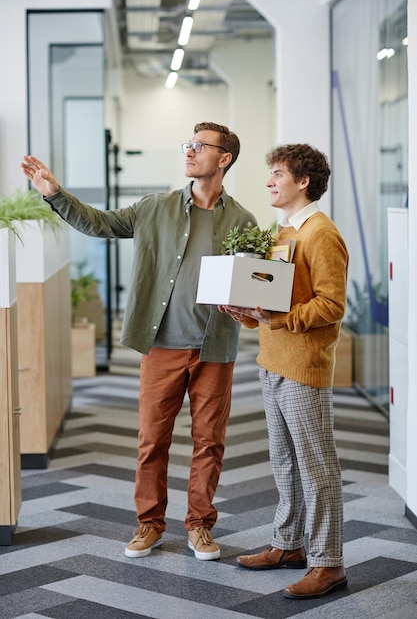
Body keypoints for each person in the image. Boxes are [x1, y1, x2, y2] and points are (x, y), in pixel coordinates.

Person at [21, 122, 257, 561]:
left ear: (223, 158)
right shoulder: (157, 207)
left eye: (200, 146)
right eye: (188, 144)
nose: (190, 151)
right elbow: (100, 224)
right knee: (153, 440)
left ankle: (200, 526)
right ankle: (149, 524)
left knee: (210, 442)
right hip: (163, 343)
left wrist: (253, 310)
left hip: (214, 347)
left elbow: (253, 285)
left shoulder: (243, 221)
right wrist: (54, 193)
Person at [219, 143, 349, 598]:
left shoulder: (320, 233)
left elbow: (332, 305)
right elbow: (276, 300)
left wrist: (280, 320)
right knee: (283, 462)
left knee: (316, 467)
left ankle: (328, 563)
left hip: (304, 366)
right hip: (272, 360)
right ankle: (289, 544)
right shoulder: (283, 231)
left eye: (277, 173)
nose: (270, 181)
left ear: (303, 181)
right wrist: (245, 312)